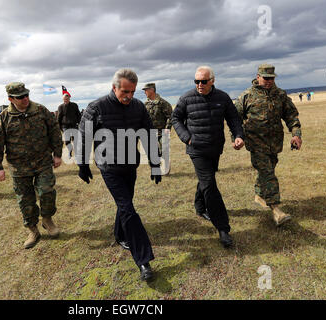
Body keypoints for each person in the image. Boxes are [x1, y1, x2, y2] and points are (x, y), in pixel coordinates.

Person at [76, 68, 162, 281]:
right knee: (128, 208)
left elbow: (149, 135)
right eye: (125, 91)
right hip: (109, 167)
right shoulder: (96, 108)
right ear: (114, 88)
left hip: (129, 165)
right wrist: (82, 164)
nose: (129, 96)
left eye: (133, 92)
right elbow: (83, 136)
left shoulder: (138, 107)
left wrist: (155, 163)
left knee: (125, 204)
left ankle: (120, 234)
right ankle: (143, 260)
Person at [172, 66, 244, 248]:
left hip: (215, 148)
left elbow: (233, 118)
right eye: (196, 81)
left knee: (206, 180)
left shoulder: (223, 97)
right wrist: (186, 138)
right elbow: (176, 119)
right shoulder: (187, 98)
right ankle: (223, 228)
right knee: (210, 185)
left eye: (203, 81)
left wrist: (238, 136)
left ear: (212, 80)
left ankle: (200, 207)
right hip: (196, 149)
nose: (199, 85)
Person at [0, 82, 63, 249]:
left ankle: (47, 220)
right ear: (10, 99)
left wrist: (57, 154)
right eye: (20, 97)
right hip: (19, 167)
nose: (25, 99)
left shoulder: (40, 110)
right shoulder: (4, 117)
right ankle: (32, 230)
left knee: (47, 192)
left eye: (26, 95)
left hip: (43, 161)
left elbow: (55, 131)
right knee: (25, 200)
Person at [235, 63, 302, 226]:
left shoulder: (280, 95)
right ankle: (276, 210)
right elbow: (235, 119)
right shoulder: (247, 96)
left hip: (274, 143)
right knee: (268, 174)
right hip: (256, 143)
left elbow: (291, 117)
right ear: (258, 77)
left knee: (268, 169)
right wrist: (237, 136)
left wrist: (296, 135)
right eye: (266, 78)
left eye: (271, 78)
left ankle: (259, 194)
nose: (269, 81)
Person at [142, 82, 173, 174]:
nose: (145, 92)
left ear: (152, 90)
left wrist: (167, 128)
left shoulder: (163, 103)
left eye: (146, 90)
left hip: (162, 132)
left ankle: (165, 170)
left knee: (164, 152)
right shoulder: (145, 104)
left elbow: (170, 116)